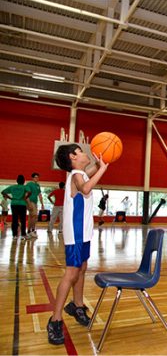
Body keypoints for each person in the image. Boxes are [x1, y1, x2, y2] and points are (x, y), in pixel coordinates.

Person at [46, 143, 108, 345]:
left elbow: (88, 176)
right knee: (72, 273)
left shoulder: (80, 173)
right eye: (80, 151)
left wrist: (99, 166)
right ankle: (55, 320)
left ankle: (77, 305)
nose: (85, 153)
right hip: (76, 234)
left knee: (82, 267)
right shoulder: (75, 176)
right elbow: (87, 187)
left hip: (85, 233)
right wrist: (103, 170)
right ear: (73, 157)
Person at [2, 175, 29, 239]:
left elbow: (3, 192)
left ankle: (14, 235)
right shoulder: (24, 187)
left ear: (17, 181)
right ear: (24, 181)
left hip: (14, 204)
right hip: (22, 204)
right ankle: (23, 235)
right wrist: (25, 198)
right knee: (23, 220)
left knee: (14, 219)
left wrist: (10, 198)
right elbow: (29, 192)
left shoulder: (12, 187)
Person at [25, 172, 44, 238]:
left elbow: (40, 195)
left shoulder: (38, 185)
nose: (37, 178)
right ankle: (31, 231)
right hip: (30, 201)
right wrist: (29, 203)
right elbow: (26, 194)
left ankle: (29, 231)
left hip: (35, 202)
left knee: (32, 217)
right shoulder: (29, 184)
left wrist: (42, 204)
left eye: (38, 177)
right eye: (35, 177)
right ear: (32, 178)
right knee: (34, 215)